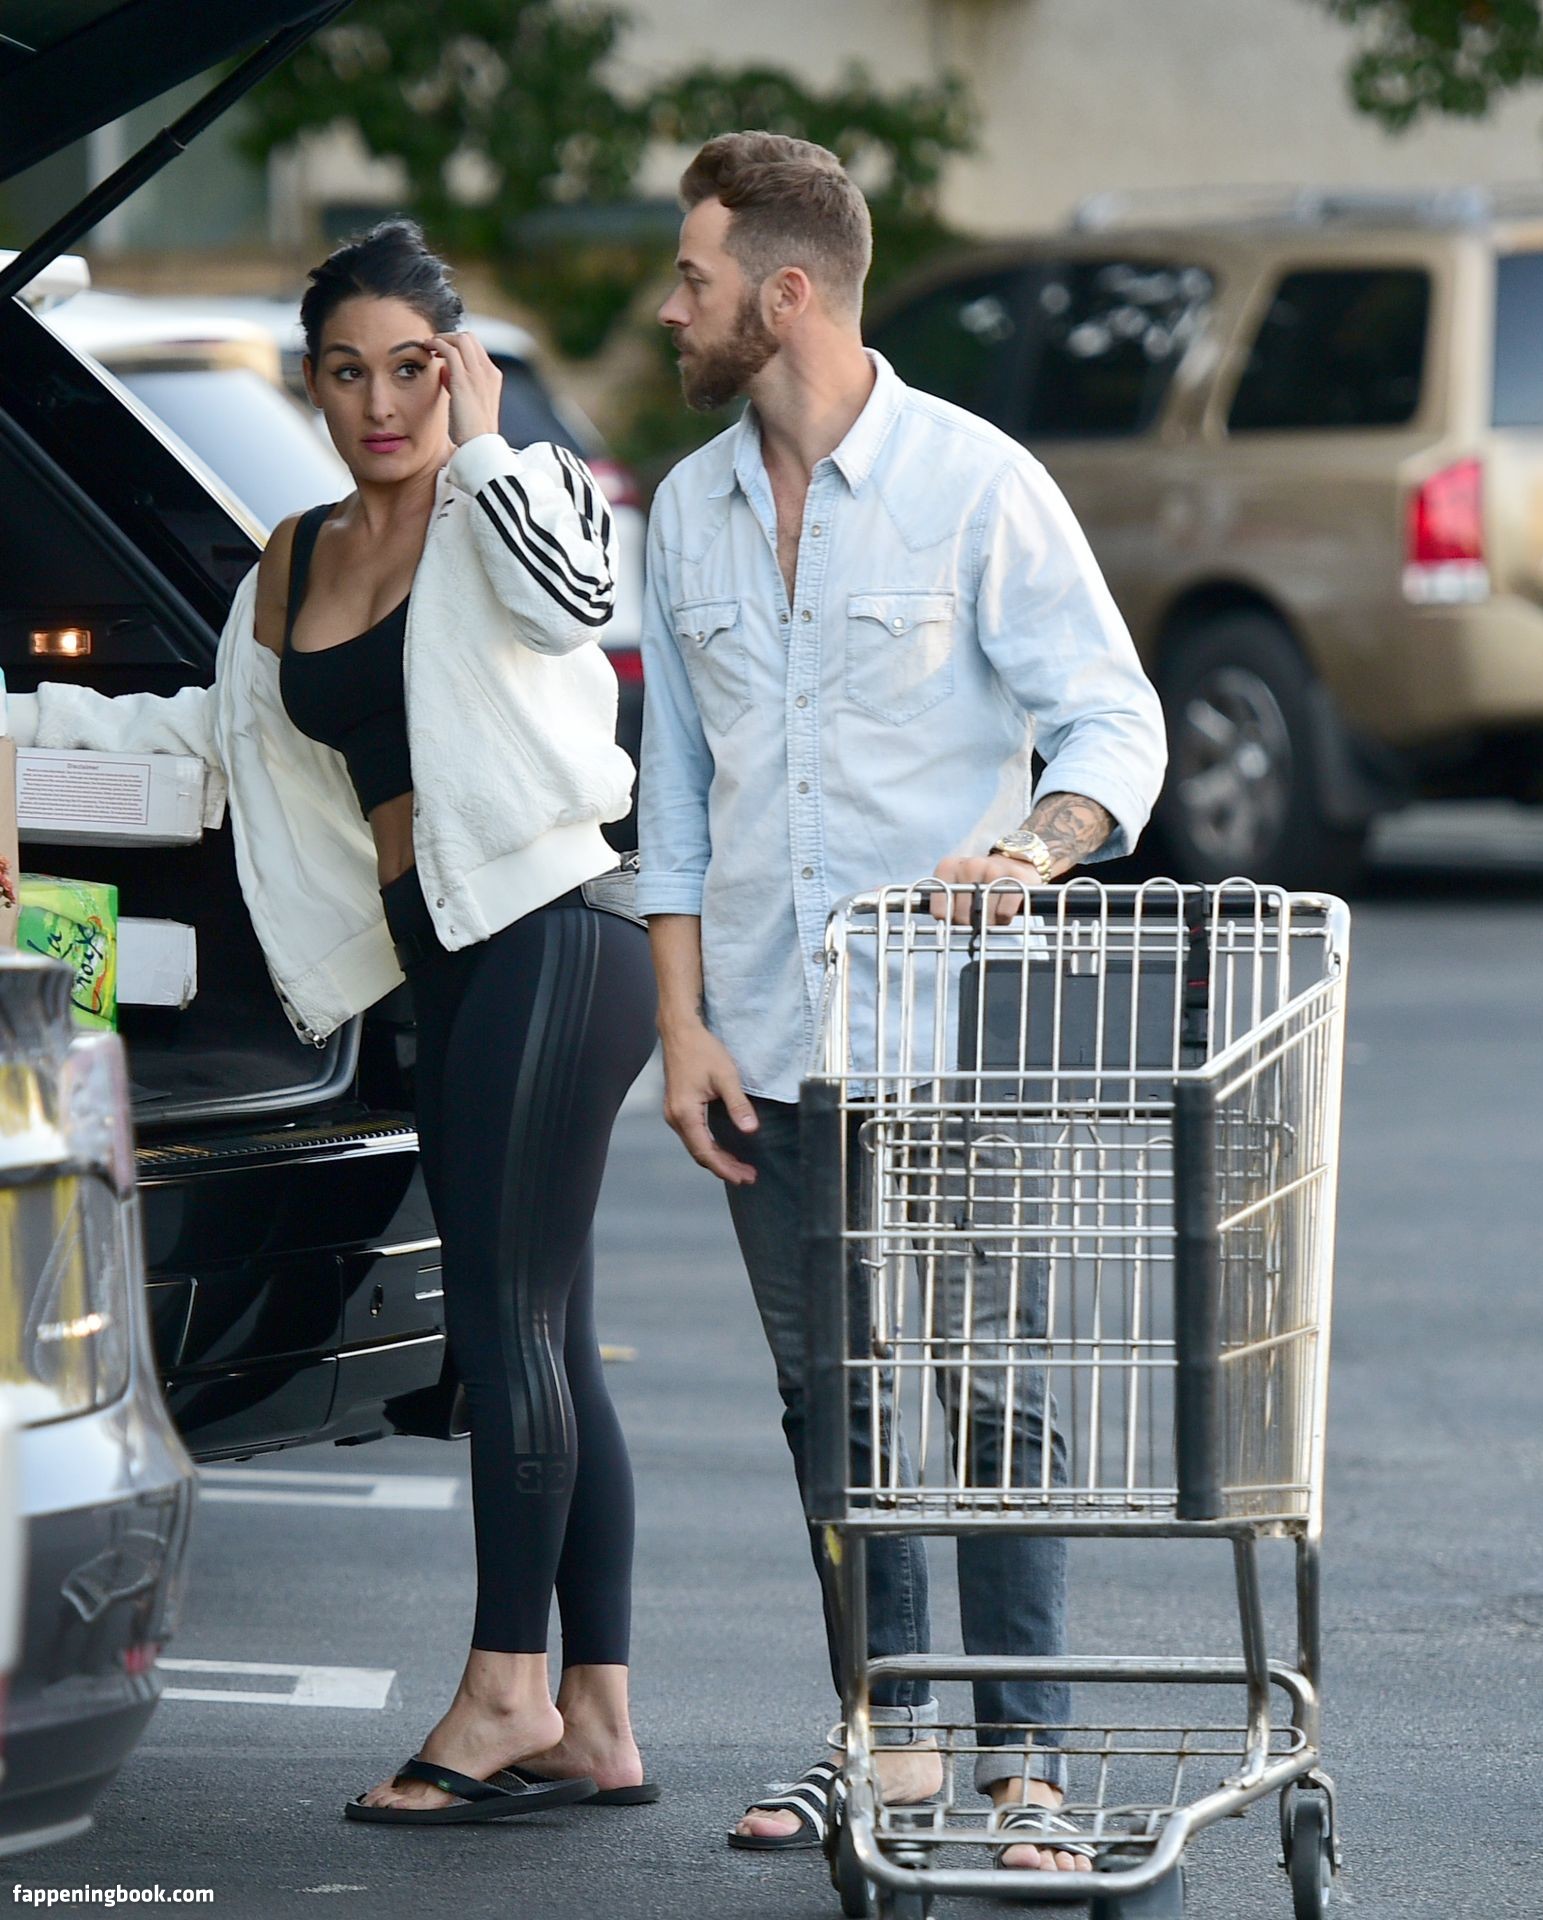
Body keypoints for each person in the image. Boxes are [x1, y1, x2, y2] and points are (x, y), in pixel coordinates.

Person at [11, 221, 659, 1828]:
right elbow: (207, 745)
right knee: (548, 1328)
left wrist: (491, 445)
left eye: (414, 368)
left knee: (502, 1331)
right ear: (312, 385)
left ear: (458, 367)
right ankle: (596, 1717)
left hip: (554, 931)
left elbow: (580, 605)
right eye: (350, 373)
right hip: (443, 961)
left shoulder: (511, 503)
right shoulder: (292, 560)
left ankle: (503, 1693)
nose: (383, 404)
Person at [637, 134, 1167, 1873]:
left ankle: (1028, 1762)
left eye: (695, 277)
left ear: (786, 293)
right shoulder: (687, 511)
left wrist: (1033, 848)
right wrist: (682, 1025)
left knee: (999, 1390)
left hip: (958, 1037)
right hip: (766, 1047)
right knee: (837, 1408)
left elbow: (1114, 721)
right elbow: (676, 797)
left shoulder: (976, 485)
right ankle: (890, 1739)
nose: (671, 308)